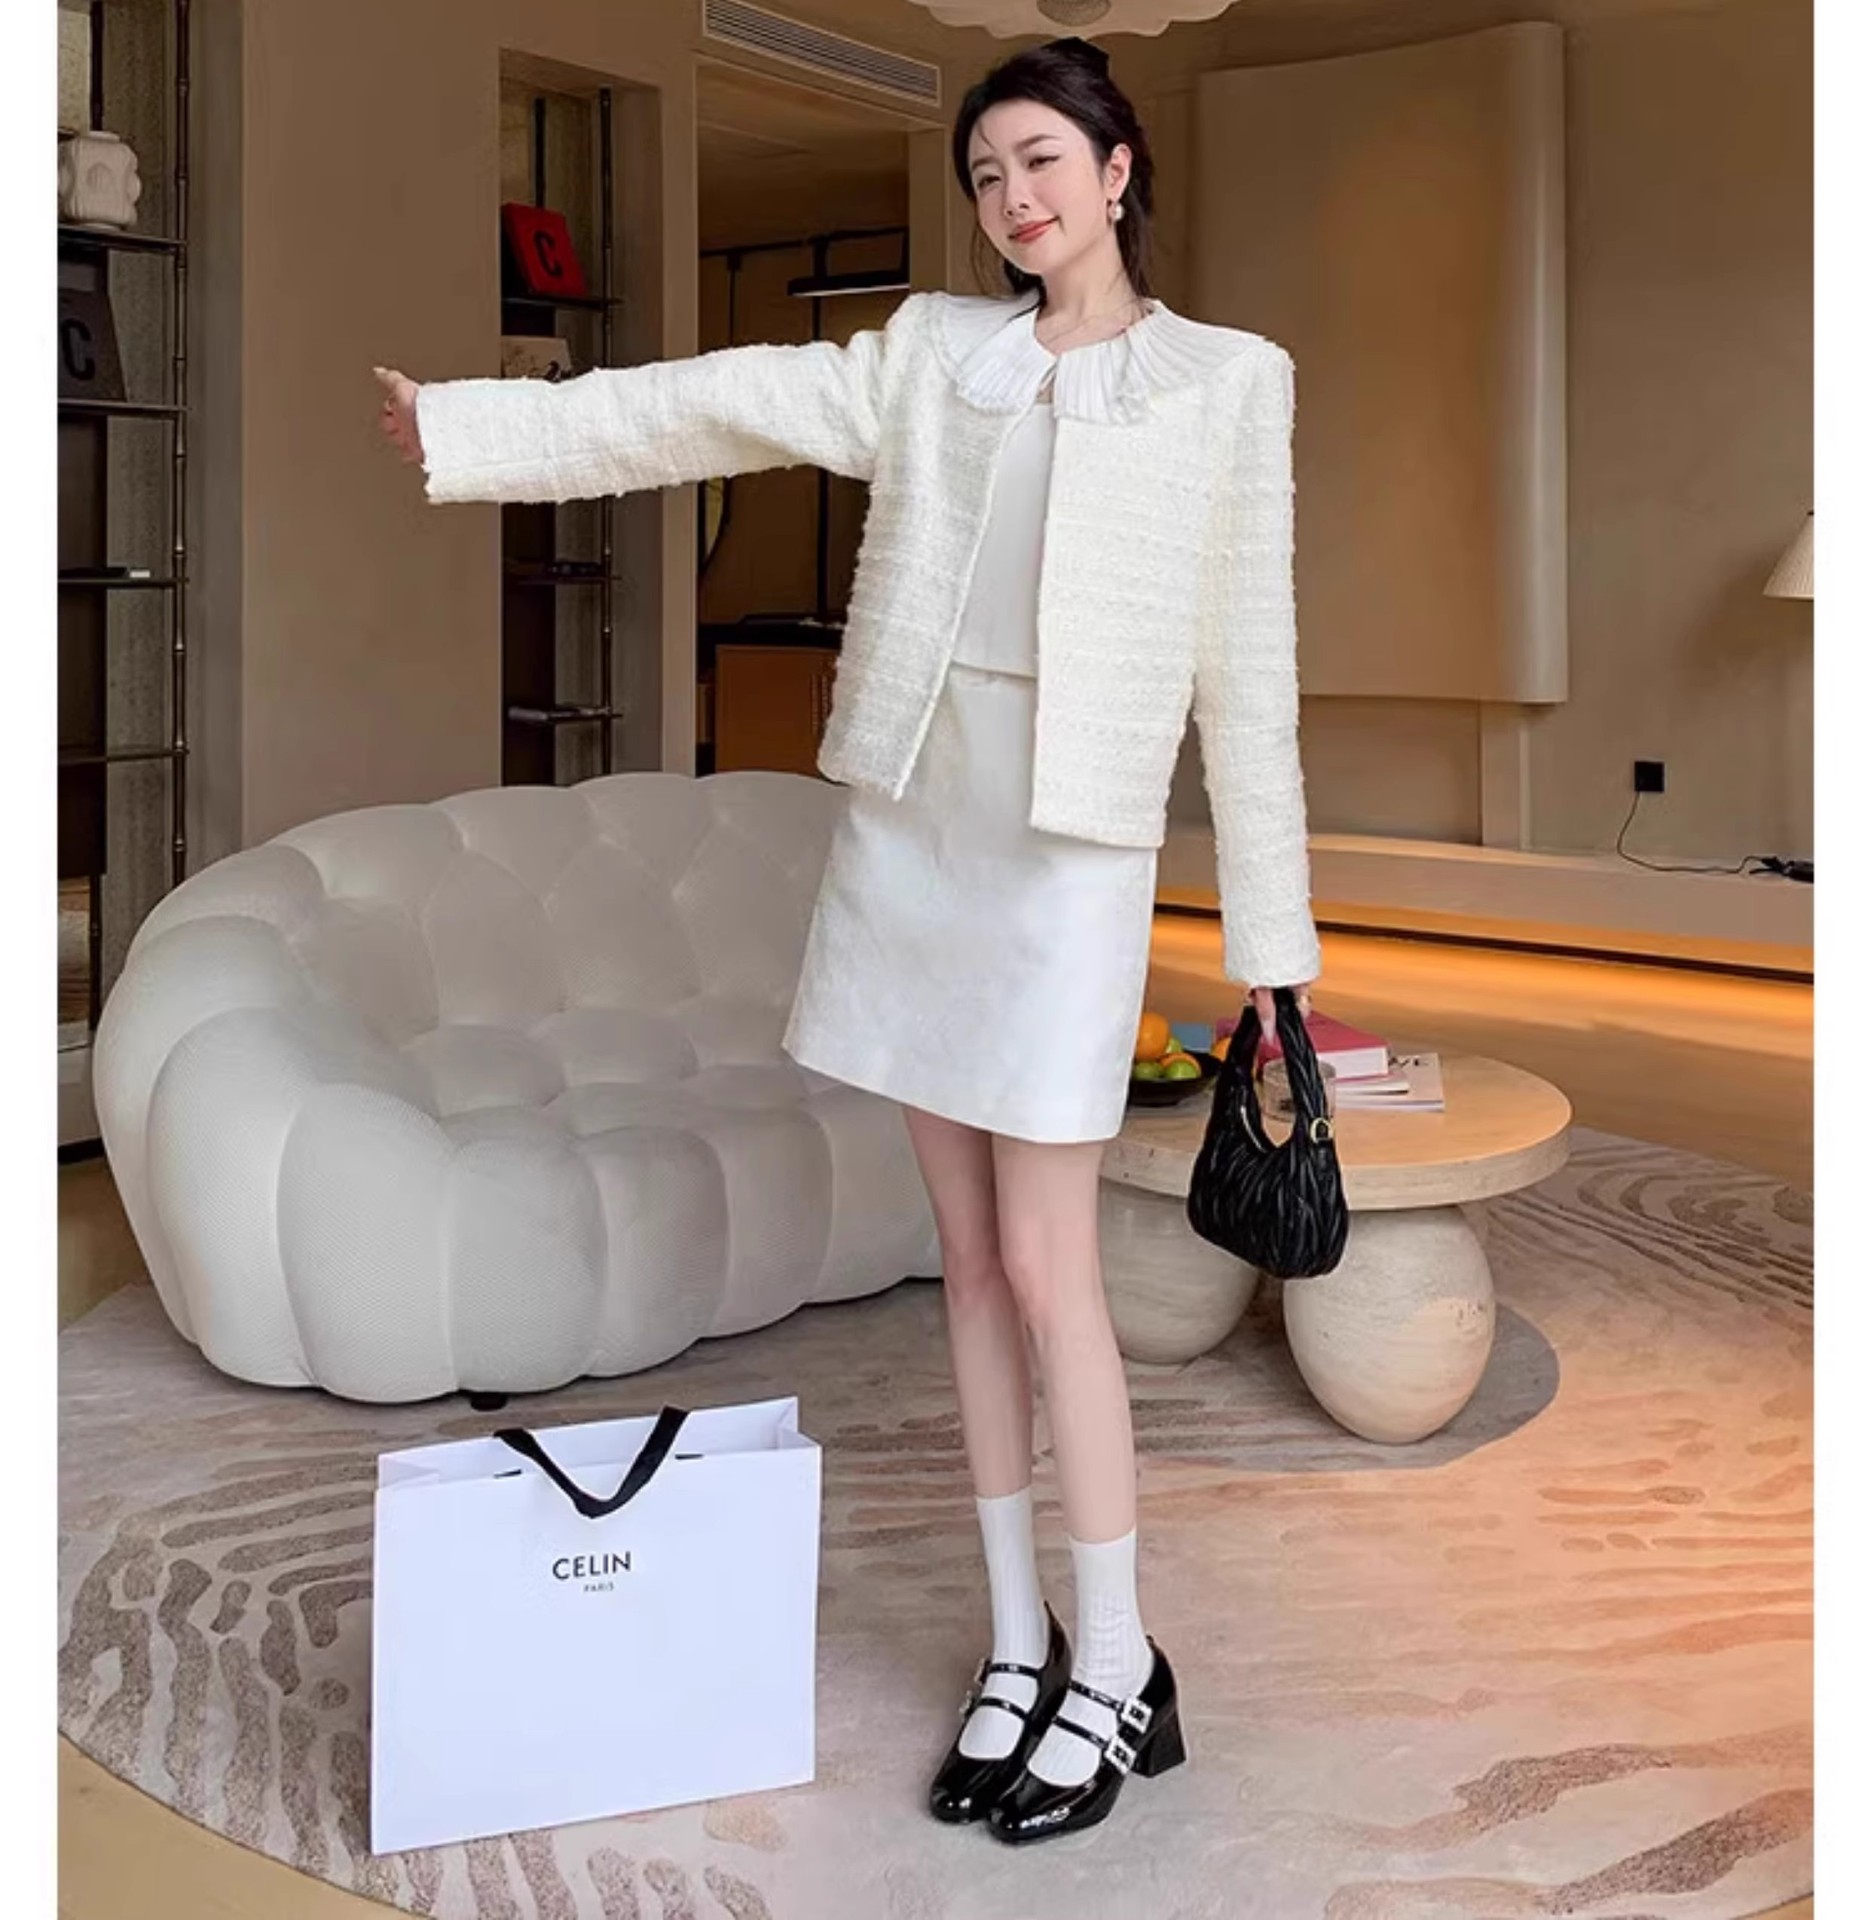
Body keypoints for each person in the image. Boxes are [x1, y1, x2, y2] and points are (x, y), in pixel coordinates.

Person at [375, 34, 1320, 1847]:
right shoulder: (936, 355)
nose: (1014, 197)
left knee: (1049, 1265)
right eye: (987, 174)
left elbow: (1251, 685)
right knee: (964, 1262)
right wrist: (479, 428)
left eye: (1041, 159)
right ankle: (1018, 1638)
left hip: (1067, 862)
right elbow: (714, 404)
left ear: (1117, 168)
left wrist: (1276, 946)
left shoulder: (1227, 383)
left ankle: (1121, 1661)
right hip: (915, 836)